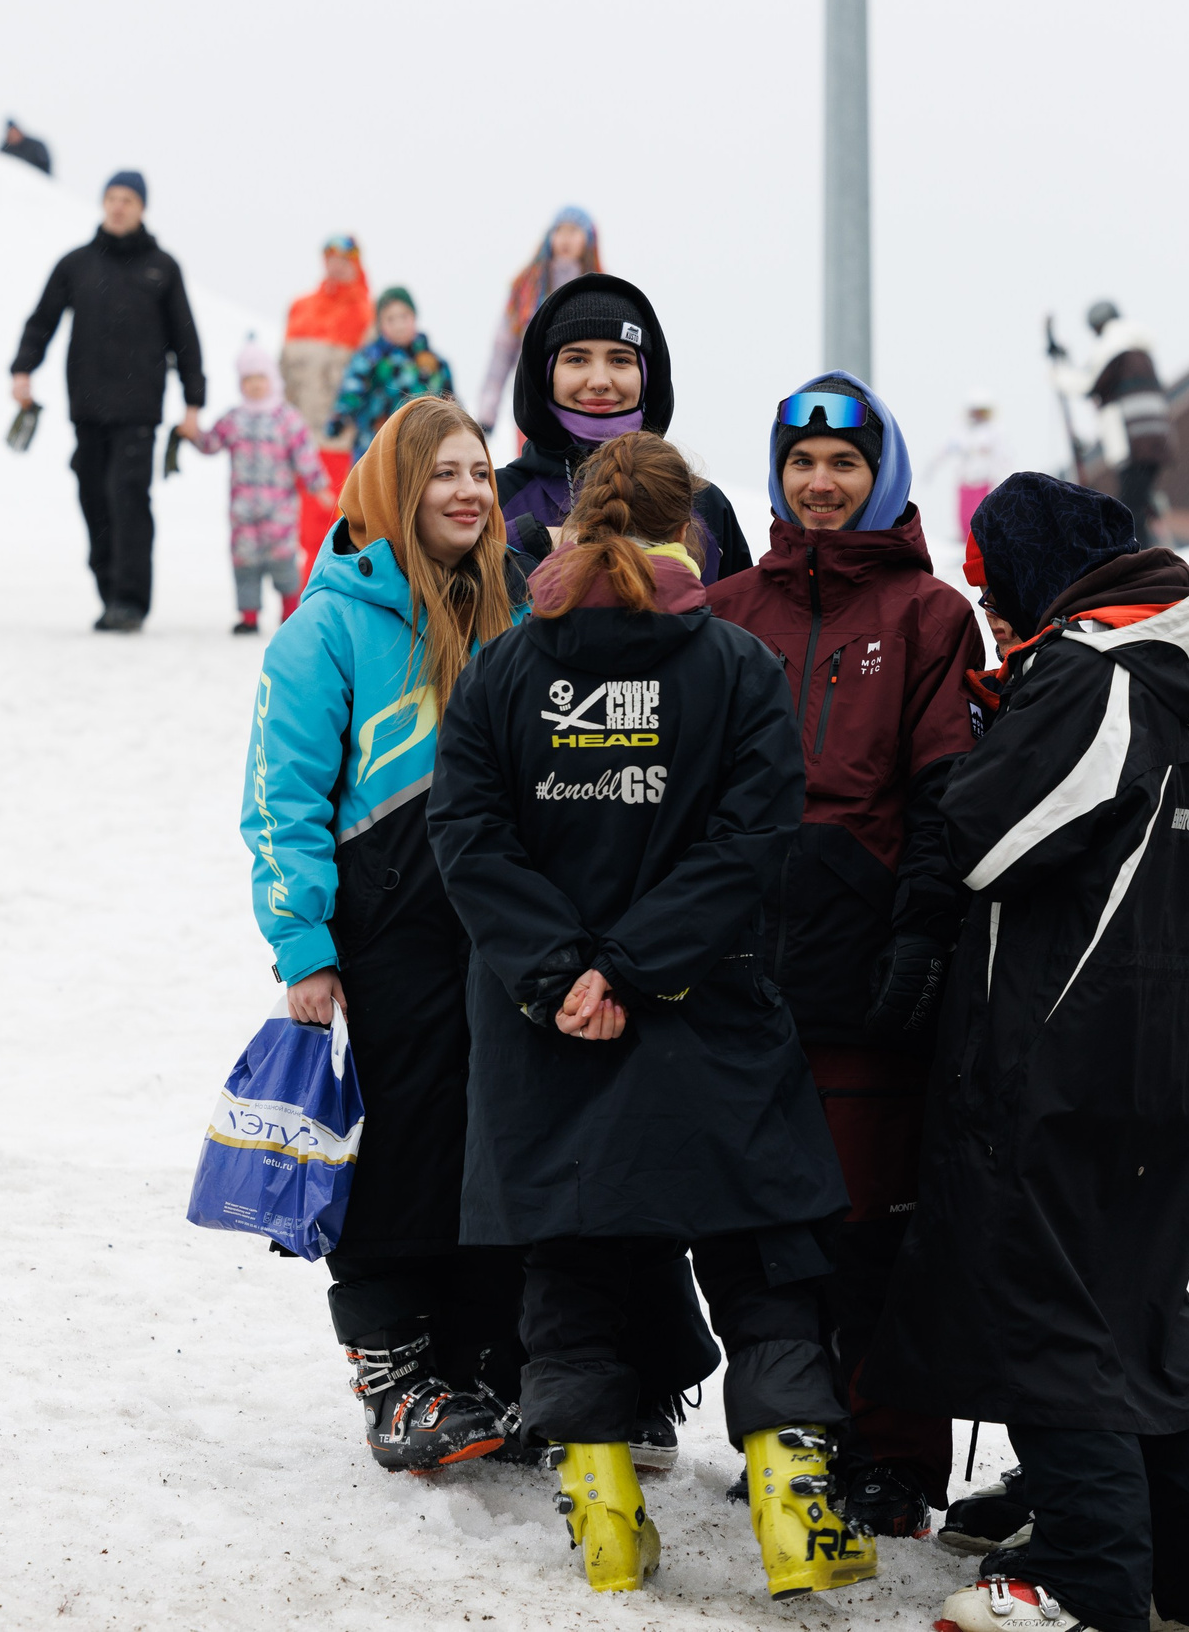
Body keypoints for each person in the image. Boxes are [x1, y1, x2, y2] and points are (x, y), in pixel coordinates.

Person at [428, 430, 877, 1599]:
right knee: (765, 1258)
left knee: (573, 1261)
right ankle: (793, 1508)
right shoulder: (734, 666)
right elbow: (756, 841)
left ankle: (604, 1512)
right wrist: (634, 967)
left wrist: (563, 973)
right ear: (689, 533)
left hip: (547, 1033)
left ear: (574, 530)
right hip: (706, 1015)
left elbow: (466, 838)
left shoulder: (506, 670)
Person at [866, 473, 1189, 1632]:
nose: (991, 615)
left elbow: (979, 832)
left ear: (1041, 575)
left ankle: (1085, 1581)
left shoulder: (1093, 679)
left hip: (1067, 1057)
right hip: (1182, 1060)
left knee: (1047, 1308)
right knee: (1138, 1306)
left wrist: (987, 723)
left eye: (995, 589)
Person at [707, 374, 984, 1538]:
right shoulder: (725, 611)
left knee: (872, 1226)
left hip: (866, 969)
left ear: (885, 477)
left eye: (846, 465)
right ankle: (789, 1433)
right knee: (757, 1228)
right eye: (801, 464)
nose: (821, 485)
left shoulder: (928, 615)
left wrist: (918, 935)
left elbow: (944, 797)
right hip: (737, 969)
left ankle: (893, 1457)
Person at [243, 395, 524, 1473]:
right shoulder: (327, 626)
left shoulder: (512, 608)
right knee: (404, 1139)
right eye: (442, 473)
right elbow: (281, 798)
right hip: (389, 931)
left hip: (501, 931)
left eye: (479, 473)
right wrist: (304, 945)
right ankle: (394, 1371)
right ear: (392, 491)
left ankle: (480, 1361)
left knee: (493, 1137)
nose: (465, 491)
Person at [10, 170, 206, 633]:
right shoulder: (76, 264)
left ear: (142, 208)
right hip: (87, 407)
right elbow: (42, 321)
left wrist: (193, 402)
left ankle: (131, 601)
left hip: (139, 411)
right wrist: (23, 369)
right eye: (111, 198)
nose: (118, 206)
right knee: (93, 497)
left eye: (128, 199)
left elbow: (186, 338)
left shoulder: (162, 267)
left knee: (129, 498)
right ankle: (109, 591)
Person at [495, 273, 751, 583]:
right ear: (545, 376)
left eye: (620, 360)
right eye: (577, 359)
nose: (600, 381)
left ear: (647, 376)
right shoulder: (494, 496)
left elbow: (736, 619)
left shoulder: (705, 505)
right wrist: (530, 538)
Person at [188, 340, 323, 635]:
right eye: (247, 379)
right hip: (244, 512)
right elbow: (212, 442)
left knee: (284, 563)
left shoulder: (286, 418)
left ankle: (290, 613)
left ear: (272, 379)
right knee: (245, 564)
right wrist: (194, 435)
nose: (254, 385)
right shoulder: (235, 418)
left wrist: (319, 486)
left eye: (260, 378)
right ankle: (248, 617)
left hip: (280, 512)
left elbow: (305, 455)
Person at [1050, 302, 1176, 532]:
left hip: (1132, 440)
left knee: (1128, 509)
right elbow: (1100, 377)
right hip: (1155, 439)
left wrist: (1058, 370)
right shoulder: (1138, 348)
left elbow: (1086, 384)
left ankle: (1138, 554)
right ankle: (1146, 544)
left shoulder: (1112, 344)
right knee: (1139, 501)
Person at [475, 206, 599, 432]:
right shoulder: (526, 290)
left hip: (584, 401)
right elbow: (502, 351)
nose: (565, 238)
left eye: (573, 231)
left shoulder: (599, 290)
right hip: (532, 397)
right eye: (559, 230)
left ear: (588, 241)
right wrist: (488, 409)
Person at [282, 233, 371, 505]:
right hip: (297, 436)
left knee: (334, 518)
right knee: (294, 521)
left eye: (345, 260)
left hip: (340, 440)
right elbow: (282, 374)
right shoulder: (300, 308)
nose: (337, 266)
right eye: (331, 259)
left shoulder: (368, 313)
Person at [328, 287, 450, 463]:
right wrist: (340, 416)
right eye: (390, 319)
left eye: (404, 317)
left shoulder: (434, 363)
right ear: (380, 324)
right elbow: (352, 389)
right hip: (375, 446)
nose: (399, 325)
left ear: (414, 318)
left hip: (423, 449)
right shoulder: (370, 358)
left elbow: (450, 400)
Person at [927, 390, 1010, 535]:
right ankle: (965, 546)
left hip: (984, 483)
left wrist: (1005, 479)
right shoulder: (961, 431)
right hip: (965, 481)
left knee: (981, 518)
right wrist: (932, 467)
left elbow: (1003, 457)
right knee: (964, 519)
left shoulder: (994, 431)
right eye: (975, 411)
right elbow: (945, 449)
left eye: (981, 411)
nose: (978, 414)